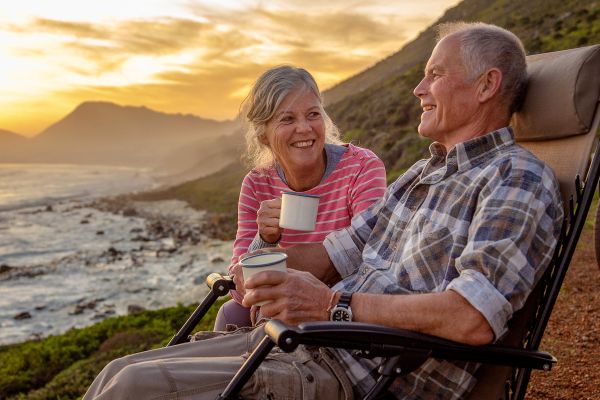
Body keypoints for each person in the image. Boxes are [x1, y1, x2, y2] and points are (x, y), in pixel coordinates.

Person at [84, 22, 564, 400]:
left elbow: (472, 318)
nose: (418, 89)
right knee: (118, 370)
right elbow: (336, 252)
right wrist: (261, 258)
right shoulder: (424, 174)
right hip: (309, 343)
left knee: (130, 391)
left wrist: (330, 305)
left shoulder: (516, 179)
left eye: (434, 75)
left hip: (363, 374)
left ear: (486, 86)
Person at [214, 66, 387, 330]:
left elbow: (374, 256)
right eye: (287, 119)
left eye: (313, 114)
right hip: (275, 312)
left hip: (339, 309)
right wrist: (264, 239)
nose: (304, 128)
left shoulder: (361, 168)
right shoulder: (256, 184)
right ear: (264, 135)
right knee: (230, 313)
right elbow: (240, 289)